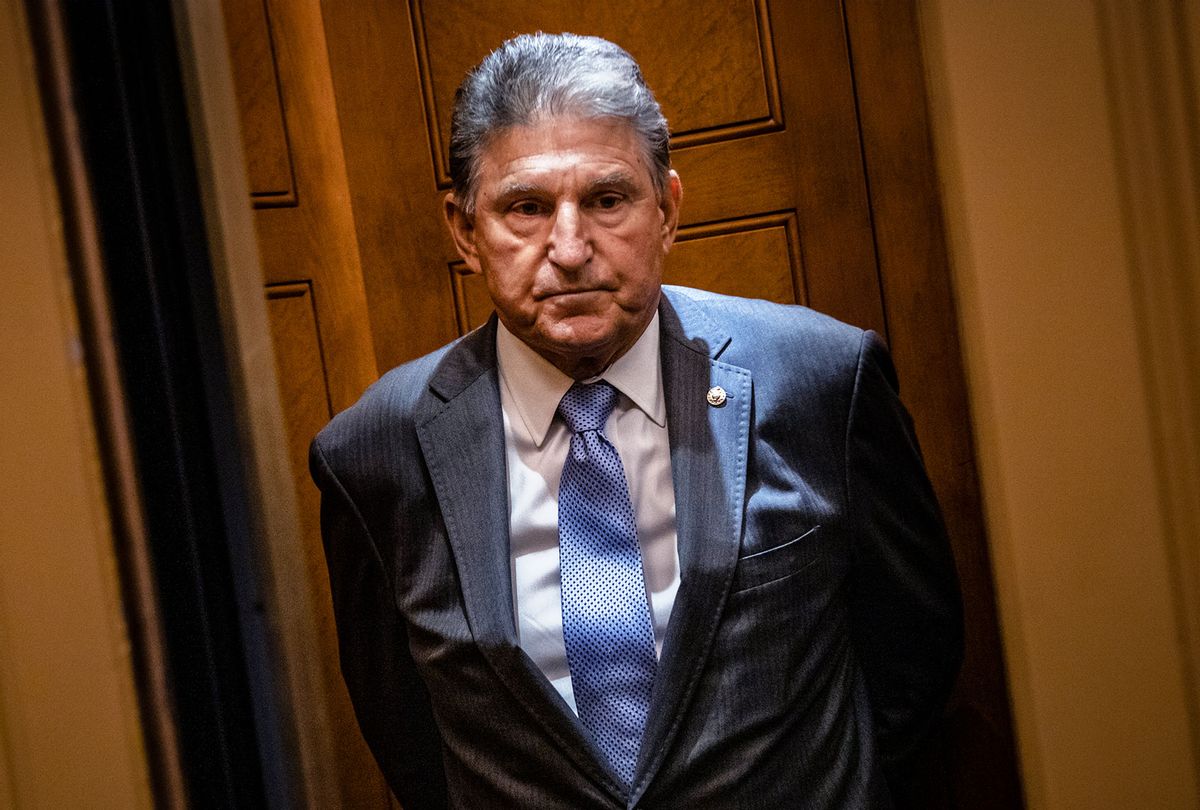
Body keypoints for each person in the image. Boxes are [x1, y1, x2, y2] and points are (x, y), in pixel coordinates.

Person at [309, 32, 962, 809]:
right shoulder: (375, 450)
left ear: (668, 210)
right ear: (464, 231)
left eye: (607, 199)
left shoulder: (823, 378)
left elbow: (911, 657)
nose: (571, 247)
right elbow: (409, 735)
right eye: (526, 208)